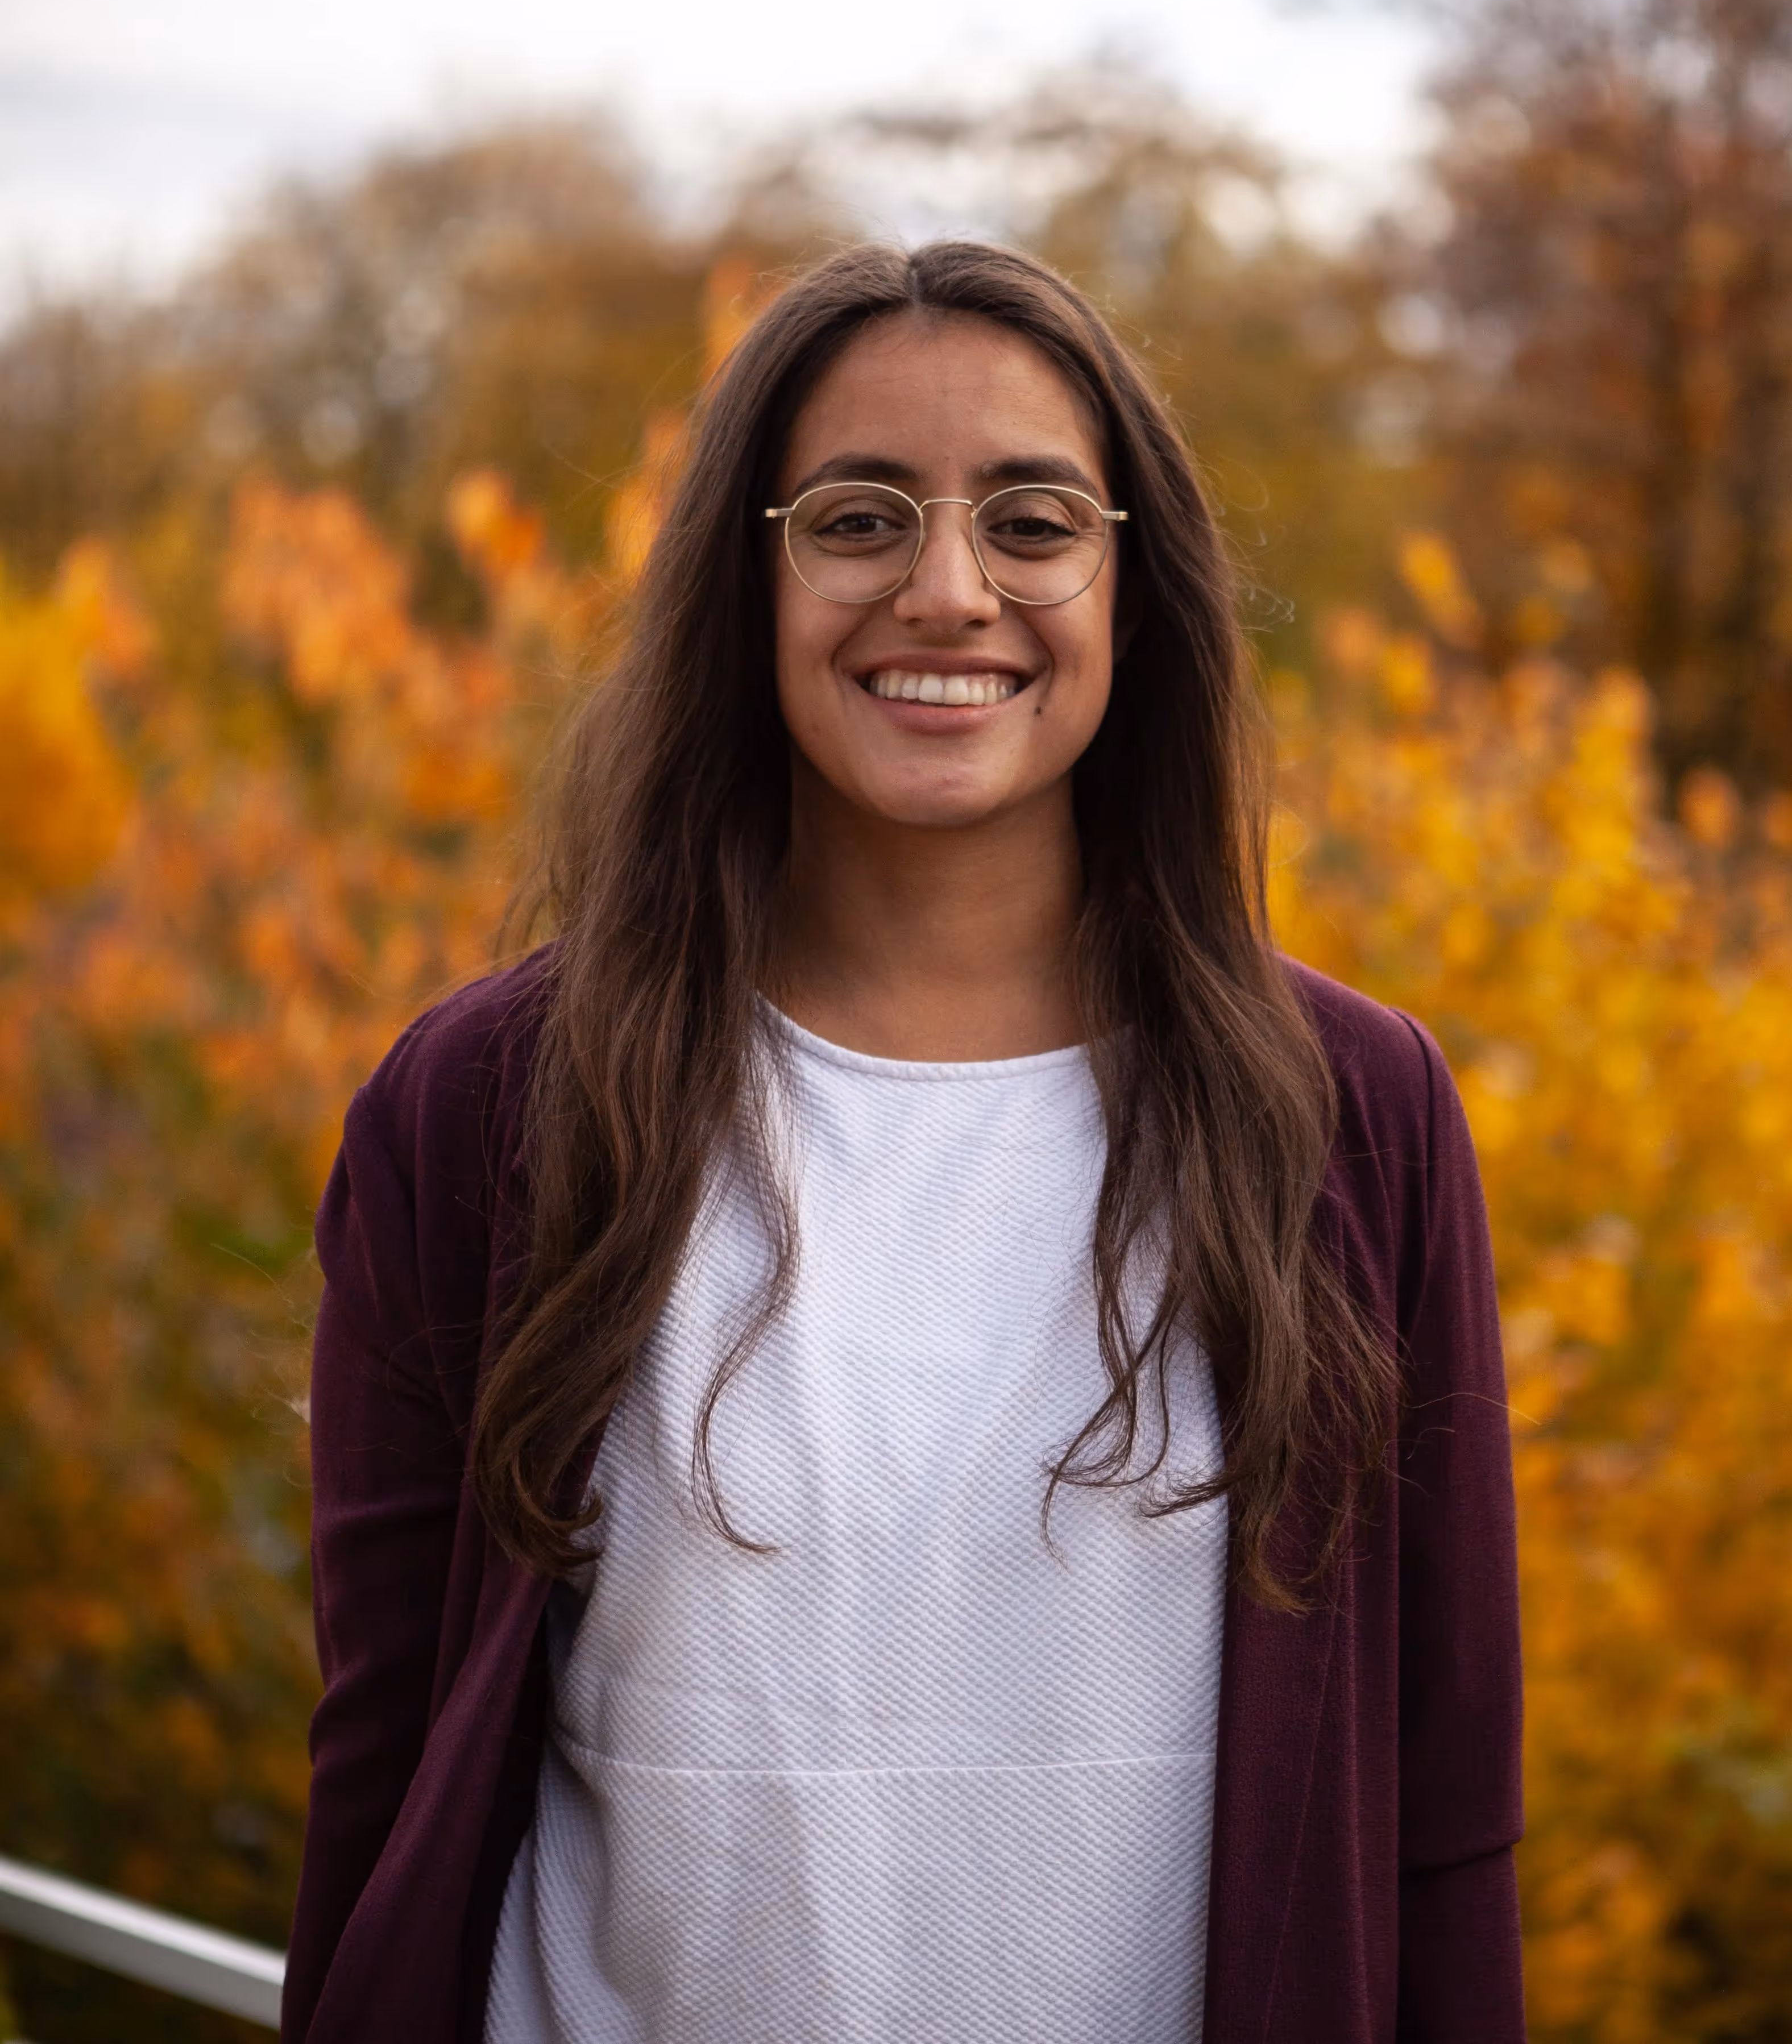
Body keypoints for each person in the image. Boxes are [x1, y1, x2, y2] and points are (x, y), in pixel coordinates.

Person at [281, 240, 1524, 2044]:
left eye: (1032, 521)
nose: (948, 591)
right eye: (859, 518)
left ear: (1131, 582)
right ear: (749, 576)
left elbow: (1445, 1819)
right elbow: (384, 1779)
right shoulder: (487, 1112)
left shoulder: (1353, 1118)